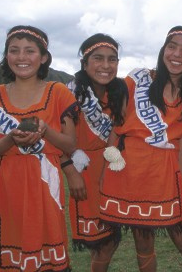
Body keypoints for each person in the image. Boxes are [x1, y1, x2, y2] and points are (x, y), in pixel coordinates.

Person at [99, 26, 182, 272]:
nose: (177, 54)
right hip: (130, 170)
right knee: (142, 239)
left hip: (165, 172)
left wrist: (180, 186)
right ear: (163, 50)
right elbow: (117, 128)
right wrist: (105, 172)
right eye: (172, 46)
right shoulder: (137, 80)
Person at [0, 25, 78, 272]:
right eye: (14, 50)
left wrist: (45, 130)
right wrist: (10, 139)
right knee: (4, 256)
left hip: (46, 187)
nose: (21, 57)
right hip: (8, 188)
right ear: (6, 55)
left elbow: (70, 145)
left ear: (43, 58)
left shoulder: (58, 92)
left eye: (30, 51)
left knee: (47, 260)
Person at [63, 33, 127, 271]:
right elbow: (57, 142)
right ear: (85, 62)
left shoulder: (119, 91)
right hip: (82, 169)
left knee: (111, 237)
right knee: (97, 238)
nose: (106, 66)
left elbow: (117, 131)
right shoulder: (69, 93)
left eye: (112, 59)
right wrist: (71, 173)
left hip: (111, 168)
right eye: (98, 58)